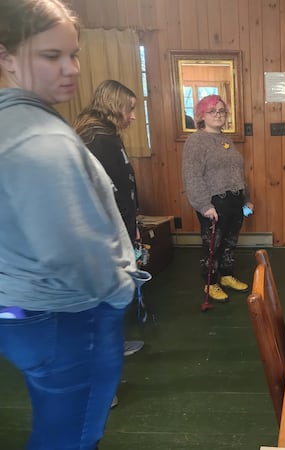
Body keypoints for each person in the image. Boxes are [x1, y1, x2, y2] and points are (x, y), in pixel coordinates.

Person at [0, 1, 150, 449]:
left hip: (21, 311)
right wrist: (118, 288)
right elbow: (69, 247)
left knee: (56, 426)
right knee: (72, 436)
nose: (71, 69)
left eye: (74, 54)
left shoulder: (14, 121)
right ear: (7, 58)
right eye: (51, 56)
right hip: (67, 316)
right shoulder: (42, 138)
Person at [73, 80, 146, 407]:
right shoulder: (98, 139)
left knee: (112, 296)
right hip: (101, 236)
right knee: (102, 302)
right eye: (129, 109)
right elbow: (103, 194)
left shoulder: (104, 135)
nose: (132, 117)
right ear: (114, 106)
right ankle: (98, 387)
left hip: (114, 230)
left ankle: (114, 344)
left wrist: (134, 223)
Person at [182, 94, 253, 302]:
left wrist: (246, 198)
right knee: (213, 245)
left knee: (230, 242)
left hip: (235, 200)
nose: (218, 115)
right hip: (214, 203)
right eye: (212, 111)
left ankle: (227, 276)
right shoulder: (195, 141)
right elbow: (192, 176)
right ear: (201, 115)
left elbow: (236, 172)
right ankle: (211, 283)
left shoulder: (225, 139)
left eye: (222, 111)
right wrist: (204, 205)